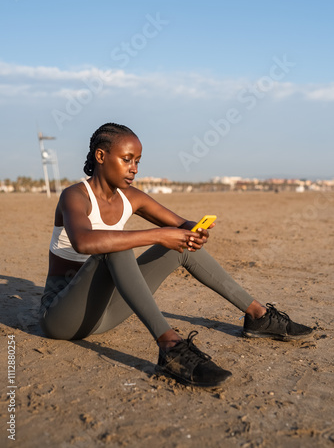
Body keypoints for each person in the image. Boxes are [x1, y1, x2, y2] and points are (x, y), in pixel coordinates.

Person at [39, 122, 313, 388]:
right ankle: (171, 347)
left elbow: (179, 224)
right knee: (117, 249)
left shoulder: (131, 197)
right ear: (101, 156)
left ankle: (258, 315)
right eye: (127, 159)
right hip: (62, 317)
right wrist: (160, 235)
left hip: (106, 315)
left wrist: (194, 231)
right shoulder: (74, 196)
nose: (134, 168)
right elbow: (84, 242)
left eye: (138, 161)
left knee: (178, 247)